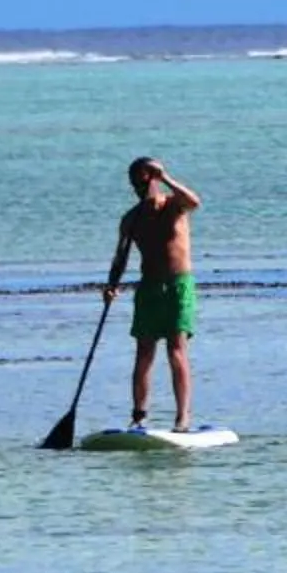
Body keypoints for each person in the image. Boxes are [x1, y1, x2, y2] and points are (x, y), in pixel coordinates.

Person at [103, 157, 202, 431]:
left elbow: (195, 202)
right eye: (135, 182)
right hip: (148, 287)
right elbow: (121, 256)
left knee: (176, 350)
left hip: (178, 286)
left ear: (154, 179)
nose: (139, 187)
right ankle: (139, 417)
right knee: (144, 352)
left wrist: (166, 177)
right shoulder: (132, 219)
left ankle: (182, 418)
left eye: (144, 180)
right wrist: (112, 285)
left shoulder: (175, 205)